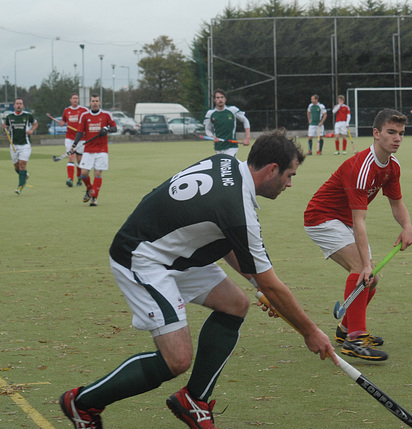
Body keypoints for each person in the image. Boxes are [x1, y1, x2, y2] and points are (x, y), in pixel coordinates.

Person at [59, 130, 338, 429]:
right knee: (176, 359)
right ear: (271, 170)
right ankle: (83, 403)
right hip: (142, 256)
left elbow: (230, 243)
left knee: (235, 304)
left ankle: (194, 400)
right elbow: (269, 280)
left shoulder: (226, 162)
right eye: (289, 175)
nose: (290, 184)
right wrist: (310, 331)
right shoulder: (237, 207)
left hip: (175, 251)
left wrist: (259, 288)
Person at [304, 108, 412, 361]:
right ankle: (355, 340)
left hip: (344, 221)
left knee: (370, 279)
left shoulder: (392, 166)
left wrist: (407, 226)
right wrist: (364, 264)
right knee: (361, 269)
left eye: (401, 133)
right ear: (376, 134)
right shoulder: (362, 167)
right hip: (321, 218)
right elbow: (359, 220)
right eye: (391, 132)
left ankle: (345, 329)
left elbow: (396, 203)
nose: (397, 138)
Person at [70, 94, 116, 207]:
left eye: (96, 101)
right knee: (84, 173)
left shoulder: (106, 115)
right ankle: (89, 188)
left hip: (102, 150)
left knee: (97, 172)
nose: (95, 103)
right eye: (93, 101)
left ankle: (94, 198)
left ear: (100, 102)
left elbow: (114, 128)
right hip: (88, 149)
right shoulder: (84, 116)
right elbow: (80, 132)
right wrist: (74, 145)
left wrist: (107, 129)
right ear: (90, 103)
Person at [2, 98, 38, 195]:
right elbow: (7, 128)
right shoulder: (9, 117)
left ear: (22, 105)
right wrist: (4, 128)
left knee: (22, 164)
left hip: (25, 145)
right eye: (17, 103)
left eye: (20, 104)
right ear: (14, 105)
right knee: (16, 167)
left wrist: (31, 130)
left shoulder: (28, 115)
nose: (19, 105)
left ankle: (20, 186)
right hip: (13, 145)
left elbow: (35, 123)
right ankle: (24, 175)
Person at [204, 88, 251, 157]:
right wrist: (212, 136)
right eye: (217, 98)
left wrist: (247, 138)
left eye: (222, 97)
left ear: (225, 99)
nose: (220, 99)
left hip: (232, 146)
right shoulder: (210, 113)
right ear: (214, 100)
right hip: (218, 147)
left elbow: (245, 121)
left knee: (228, 165)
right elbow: (207, 129)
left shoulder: (233, 110)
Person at [59, 93, 89, 187]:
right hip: (70, 138)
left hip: (81, 139)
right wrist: (62, 123)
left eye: (77, 98)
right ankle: (70, 179)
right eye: (74, 98)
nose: (75, 100)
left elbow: (89, 121)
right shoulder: (67, 110)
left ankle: (79, 177)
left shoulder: (84, 110)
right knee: (71, 157)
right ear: (70, 100)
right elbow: (64, 120)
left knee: (79, 160)